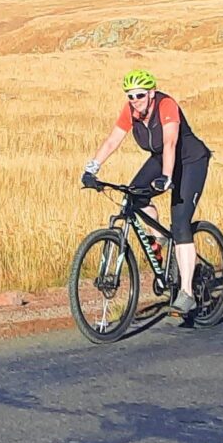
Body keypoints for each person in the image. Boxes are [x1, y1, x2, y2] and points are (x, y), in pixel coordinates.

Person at [81, 69, 213, 316]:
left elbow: (170, 142)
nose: (135, 100)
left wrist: (166, 177)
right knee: (133, 196)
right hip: (161, 158)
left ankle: (187, 293)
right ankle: (161, 240)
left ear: (151, 93)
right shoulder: (131, 111)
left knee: (181, 223)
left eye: (140, 95)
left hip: (191, 161)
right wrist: (92, 169)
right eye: (130, 96)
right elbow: (112, 141)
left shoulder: (166, 105)